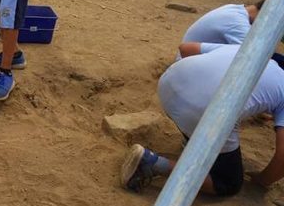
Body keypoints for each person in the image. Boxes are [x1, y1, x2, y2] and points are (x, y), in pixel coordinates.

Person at [121, 44, 284, 196]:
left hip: (169, 84)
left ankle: (193, 141)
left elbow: (186, 47)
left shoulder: (249, 49)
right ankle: (152, 163)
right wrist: (262, 180)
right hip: (201, 111)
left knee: (212, 112)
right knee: (228, 183)